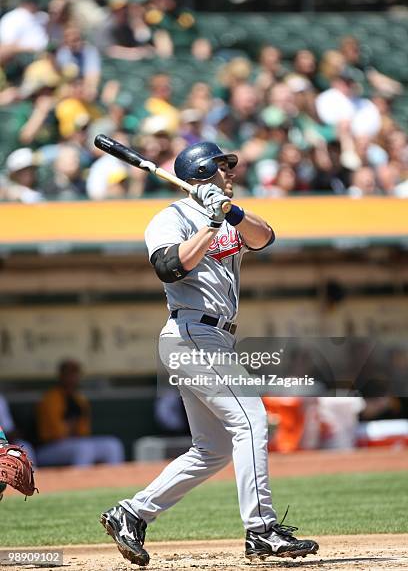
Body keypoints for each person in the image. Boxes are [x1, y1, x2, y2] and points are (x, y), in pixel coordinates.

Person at [100, 141, 319, 565]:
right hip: (190, 333)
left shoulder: (227, 212)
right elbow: (169, 267)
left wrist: (228, 212)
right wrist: (210, 224)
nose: (231, 173)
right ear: (201, 172)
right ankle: (262, 530)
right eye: (223, 167)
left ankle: (131, 513)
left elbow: (266, 236)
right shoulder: (170, 217)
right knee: (252, 420)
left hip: (216, 337)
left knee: (212, 448)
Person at [36, 359, 125, 467]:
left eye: (75, 374)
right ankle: (79, 483)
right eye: (69, 374)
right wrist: (70, 426)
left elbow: (84, 433)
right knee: (84, 448)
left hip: (74, 444)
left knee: (113, 445)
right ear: (61, 376)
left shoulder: (80, 400)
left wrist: (73, 426)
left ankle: (113, 482)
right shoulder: (51, 399)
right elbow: (57, 434)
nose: (72, 378)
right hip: (48, 448)